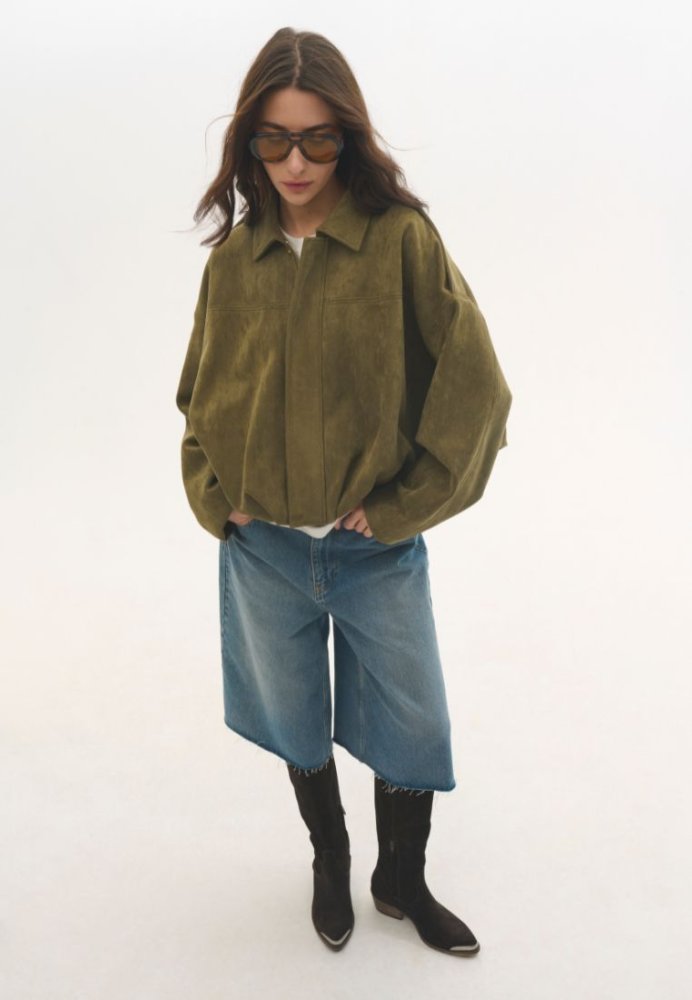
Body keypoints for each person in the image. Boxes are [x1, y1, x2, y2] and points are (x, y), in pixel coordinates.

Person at [175, 27, 512, 957]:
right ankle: (331, 863)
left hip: (374, 550)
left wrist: (403, 507)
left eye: (317, 139)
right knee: (294, 718)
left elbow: (477, 389)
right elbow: (199, 396)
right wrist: (216, 497)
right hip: (266, 555)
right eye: (274, 140)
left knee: (412, 718)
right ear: (249, 143)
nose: (295, 162)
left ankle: (401, 879)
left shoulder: (399, 241)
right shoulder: (234, 262)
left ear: (348, 138)